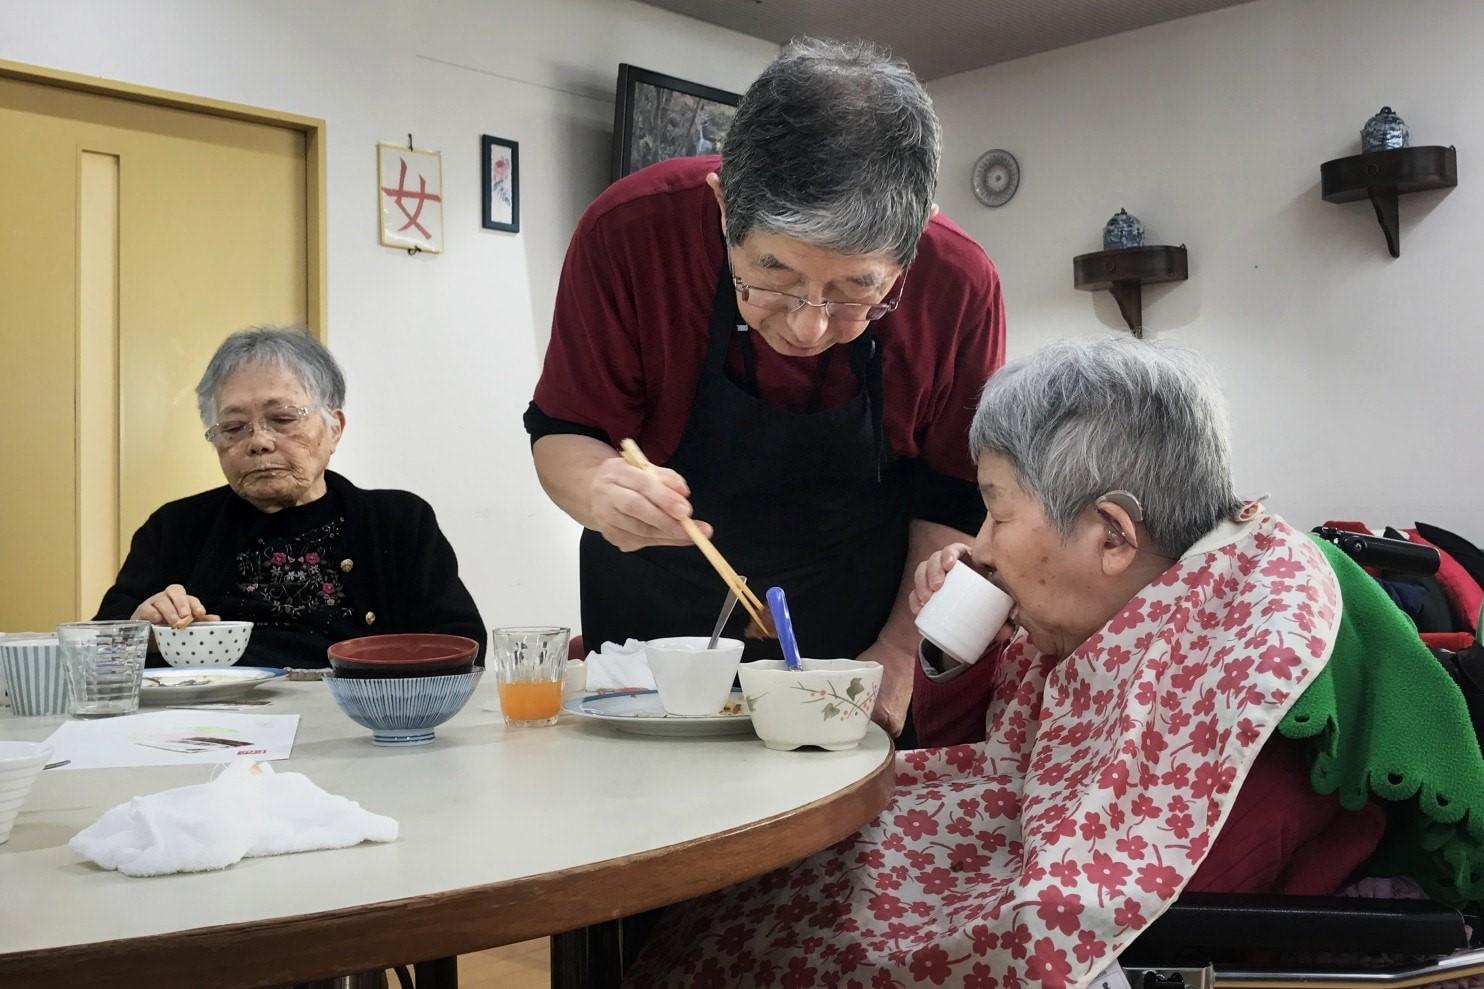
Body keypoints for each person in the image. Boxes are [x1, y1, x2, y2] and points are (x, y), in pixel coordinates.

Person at [623, 337, 1387, 987]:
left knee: (765, 940)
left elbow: (1145, 903)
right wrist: (960, 649)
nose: (981, 546)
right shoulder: (1123, 596)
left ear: (1113, 537)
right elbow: (996, 749)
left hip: (1134, 926)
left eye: (996, 508)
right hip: (1005, 848)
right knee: (747, 890)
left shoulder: (1237, 634)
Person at [525, 38, 1005, 737]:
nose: (810, 326)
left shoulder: (960, 286)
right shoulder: (631, 234)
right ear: (723, 208)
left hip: (859, 642)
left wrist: (898, 658)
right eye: (773, 277)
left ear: (913, 243)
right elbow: (563, 430)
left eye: (856, 291)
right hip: (655, 644)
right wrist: (599, 490)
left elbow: (956, 503)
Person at [95, 326, 485, 667]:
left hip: (358, 724)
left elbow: (463, 647)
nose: (259, 442)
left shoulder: (397, 521)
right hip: (210, 730)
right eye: (233, 428)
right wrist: (140, 634)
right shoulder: (175, 527)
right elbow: (97, 652)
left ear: (334, 428)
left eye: (282, 419)